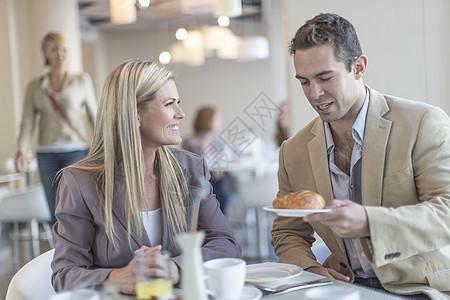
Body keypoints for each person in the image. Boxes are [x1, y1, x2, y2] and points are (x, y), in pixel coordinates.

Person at [270, 13, 450, 299]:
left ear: (359, 67)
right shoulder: (293, 151)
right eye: (304, 82)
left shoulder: (422, 123)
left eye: (325, 78)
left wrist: (370, 222)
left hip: (418, 287)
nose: (314, 93)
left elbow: (446, 212)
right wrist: (307, 268)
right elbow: (287, 232)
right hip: (343, 287)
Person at [51, 59, 242, 294]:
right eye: (169, 104)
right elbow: (65, 274)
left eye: (178, 103)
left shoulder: (192, 168)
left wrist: (174, 268)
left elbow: (227, 244)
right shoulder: (80, 182)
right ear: (135, 113)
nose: (181, 114)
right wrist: (115, 277)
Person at [15, 32, 97, 224]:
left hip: (75, 151)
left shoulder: (82, 81)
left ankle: (80, 250)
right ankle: (60, 252)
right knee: (55, 209)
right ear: (45, 54)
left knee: (76, 206)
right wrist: (22, 151)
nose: (59, 54)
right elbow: (27, 123)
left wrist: (100, 146)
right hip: (46, 154)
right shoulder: (34, 87)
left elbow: (95, 118)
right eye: (53, 49)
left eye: (63, 49)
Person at [183, 107, 235, 214]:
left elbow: (226, 159)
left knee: (222, 188)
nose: (220, 123)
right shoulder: (191, 141)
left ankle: (220, 221)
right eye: (217, 119)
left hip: (217, 179)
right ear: (207, 120)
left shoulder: (218, 139)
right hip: (198, 182)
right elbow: (188, 165)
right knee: (218, 190)